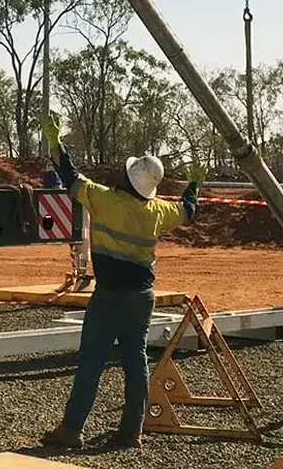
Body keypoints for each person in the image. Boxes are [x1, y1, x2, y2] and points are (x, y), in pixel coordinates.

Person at [39, 111, 204, 450]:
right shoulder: (159, 211)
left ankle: (71, 430)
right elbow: (188, 211)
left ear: (129, 178)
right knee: (136, 359)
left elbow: (68, 175)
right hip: (142, 297)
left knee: (92, 361)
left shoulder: (105, 200)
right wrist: (194, 185)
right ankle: (131, 431)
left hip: (110, 297)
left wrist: (55, 142)